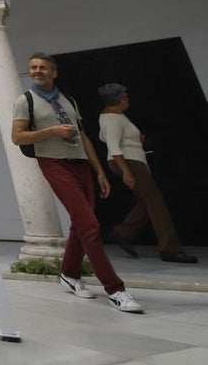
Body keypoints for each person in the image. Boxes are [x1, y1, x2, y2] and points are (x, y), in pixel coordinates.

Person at [12, 53, 143, 313]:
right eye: (33, 68)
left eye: (43, 68)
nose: (37, 71)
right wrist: (51, 131)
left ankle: (70, 274)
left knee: (81, 225)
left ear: (54, 72)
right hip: (54, 162)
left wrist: (100, 171)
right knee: (90, 225)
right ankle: (115, 289)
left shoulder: (67, 99)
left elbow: (83, 137)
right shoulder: (25, 101)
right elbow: (17, 137)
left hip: (80, 163)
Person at [97, 83, 197, 264]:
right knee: (156, 203)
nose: (127, 99)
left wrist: (137, 140)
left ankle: (123, 233)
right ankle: (170, 249)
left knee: (147, 201)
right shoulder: (112, 118)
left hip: (131, 160)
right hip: (129, 162)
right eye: (125, 96)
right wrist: (126, 171)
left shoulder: (116, 116)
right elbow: (113, 146)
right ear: (119, 99)